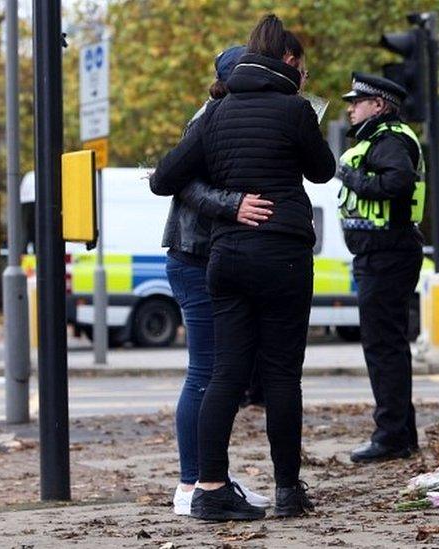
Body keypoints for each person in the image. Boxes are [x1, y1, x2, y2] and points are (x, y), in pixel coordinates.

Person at [150, 15, 335, 521]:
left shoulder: (214, 112)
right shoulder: (295, 111)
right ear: (288, 63)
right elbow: (323, 170)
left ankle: (209, 489)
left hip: (227, 259)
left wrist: (229, 201)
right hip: (283, 255)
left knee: (225, 374)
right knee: (280, 377)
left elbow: (164, 178)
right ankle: (287, 491)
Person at [160, 45, 275, 516]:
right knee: (205, 373)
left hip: (208, 258)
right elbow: (178, 182)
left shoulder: (229, 117)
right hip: (195, 258)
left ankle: (211, 477)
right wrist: (234, 205)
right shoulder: (211, 118)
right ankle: (193, 485)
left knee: (218, 373)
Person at [337, 73, 426, 463]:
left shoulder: (389, 139)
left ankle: (391, 436)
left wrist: (351, 177)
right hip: (383, 253)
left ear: (378, 105)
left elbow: (398, 183)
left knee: (382, 346)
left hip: (387, 253)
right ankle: (400, 433)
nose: (350, 108)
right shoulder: (382, 138)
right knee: (389, 345)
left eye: (357, 102)